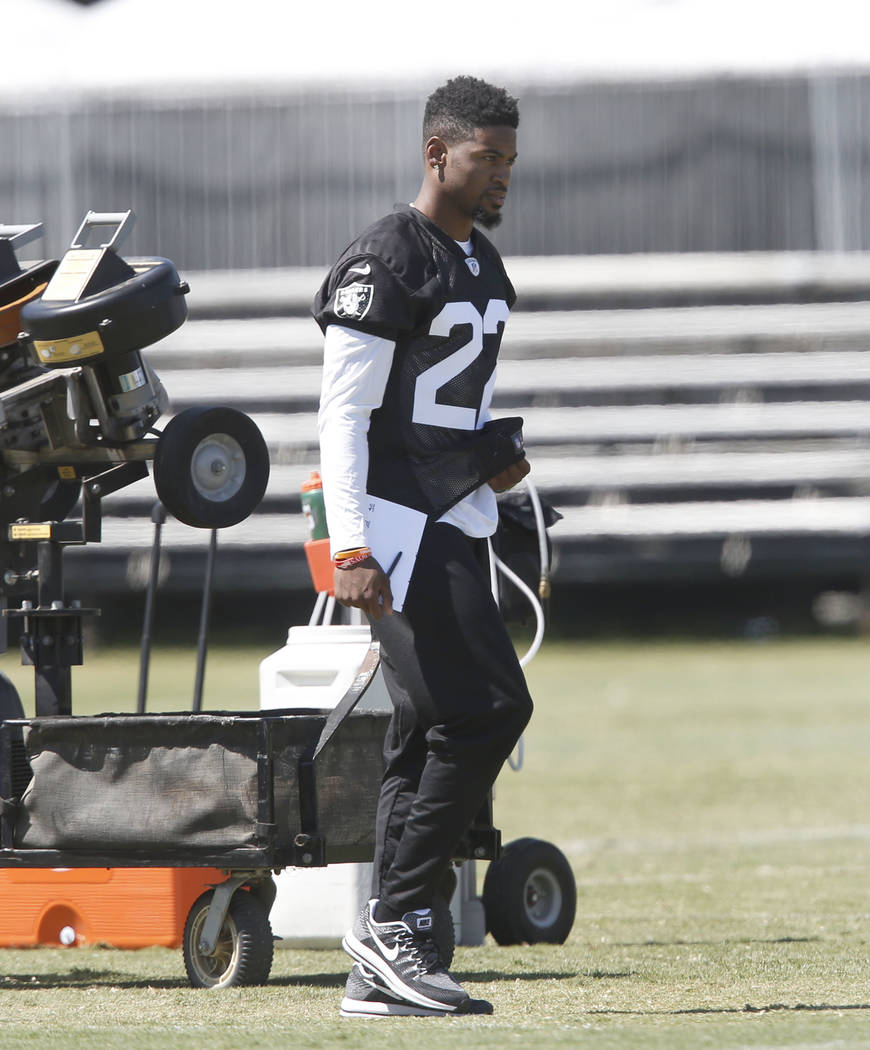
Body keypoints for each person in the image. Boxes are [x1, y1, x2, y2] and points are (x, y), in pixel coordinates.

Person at [313, 74, 534, 1018]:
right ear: (438, 153)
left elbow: (447, 407)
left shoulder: (480, 262)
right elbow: (343, 417)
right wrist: (351, 548)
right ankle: (395, 921)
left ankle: (388, 958)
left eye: (510, 160)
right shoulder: (386, 258)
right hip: (395, 527)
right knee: (489, 710)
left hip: (450, 515)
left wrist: (490, 463)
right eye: (487, 158)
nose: (502, 175)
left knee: (427, 728)